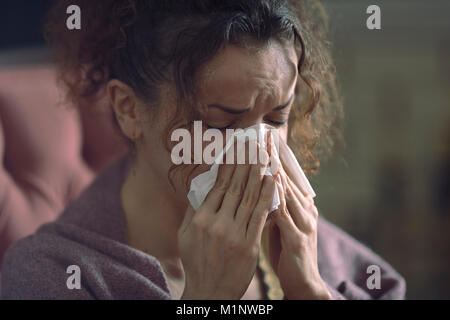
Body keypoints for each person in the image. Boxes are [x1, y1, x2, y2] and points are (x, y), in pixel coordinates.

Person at [1, 0, 405, 300]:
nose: (259, 152)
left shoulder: (340, 267)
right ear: (129, 110)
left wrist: (310, 291)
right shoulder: (53, 277)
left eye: (277, 118)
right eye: (222, 123)